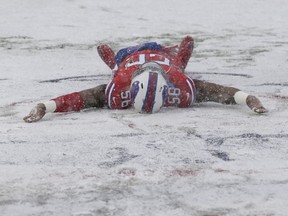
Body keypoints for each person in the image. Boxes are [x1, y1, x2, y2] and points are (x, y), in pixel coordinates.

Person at [23, 36, 268, 123]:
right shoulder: (179, 88)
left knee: (118, 65)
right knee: (178, 67)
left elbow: (83, 98)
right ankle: (181, 59)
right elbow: (220, 92)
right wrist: (247, 98)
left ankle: (113, 62)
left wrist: (47, 106)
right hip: (167, 58)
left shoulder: (119, 90)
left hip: (127, 58)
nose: (150, 68)